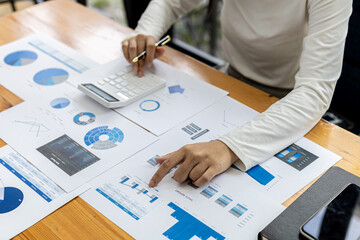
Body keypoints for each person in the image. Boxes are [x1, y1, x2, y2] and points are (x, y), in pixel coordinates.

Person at [121, 0, 352, 188]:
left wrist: (228, 147)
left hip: (290, 103)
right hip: (231, 82)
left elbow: (314, 91)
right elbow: (170, 3)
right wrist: (145, 33)